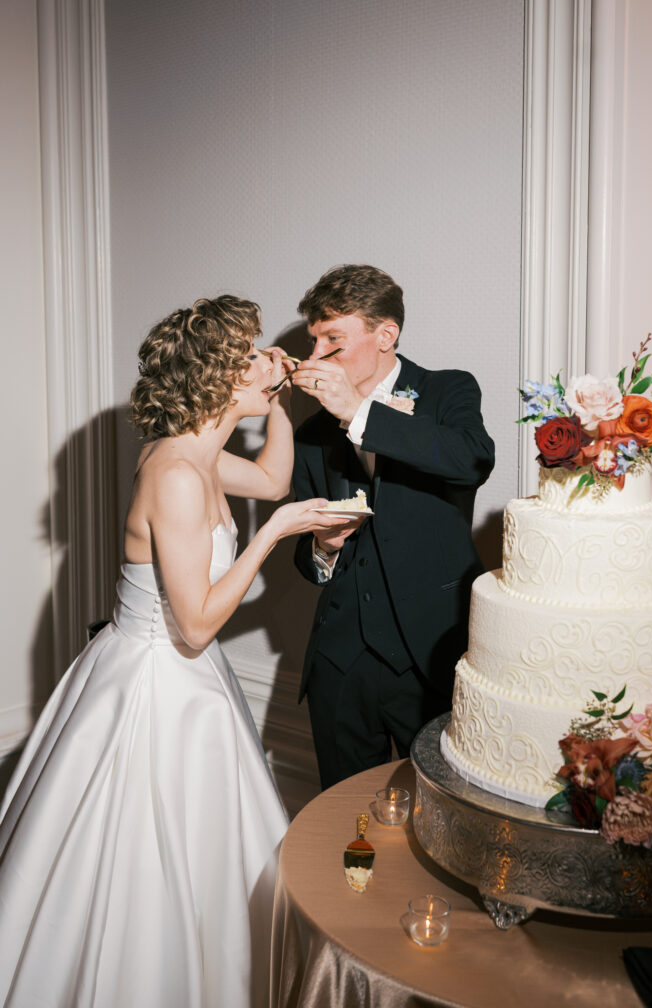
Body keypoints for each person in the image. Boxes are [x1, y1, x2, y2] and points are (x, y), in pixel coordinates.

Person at [0, 295, 346, 1007]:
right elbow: (194, 627)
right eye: (251, 355)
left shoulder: (194, 454)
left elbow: (273, 479)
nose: (266, 362)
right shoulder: (181, 477)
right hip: (157, 682)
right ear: (217, 377)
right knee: (141, 862)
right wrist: (271, 534)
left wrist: (279, 403)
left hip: (172, 673)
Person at [290, 265, 495, 789]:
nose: (316, 357)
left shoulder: (448, 391)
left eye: (333, 339)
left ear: (386, 335)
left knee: (440, 817)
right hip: (340, 662)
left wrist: (360, 411)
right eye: (314, 342)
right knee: (344, 817)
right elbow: (306, 564)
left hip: (431, 653)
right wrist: (323, 548)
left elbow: (472, 460)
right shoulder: (311, 433)